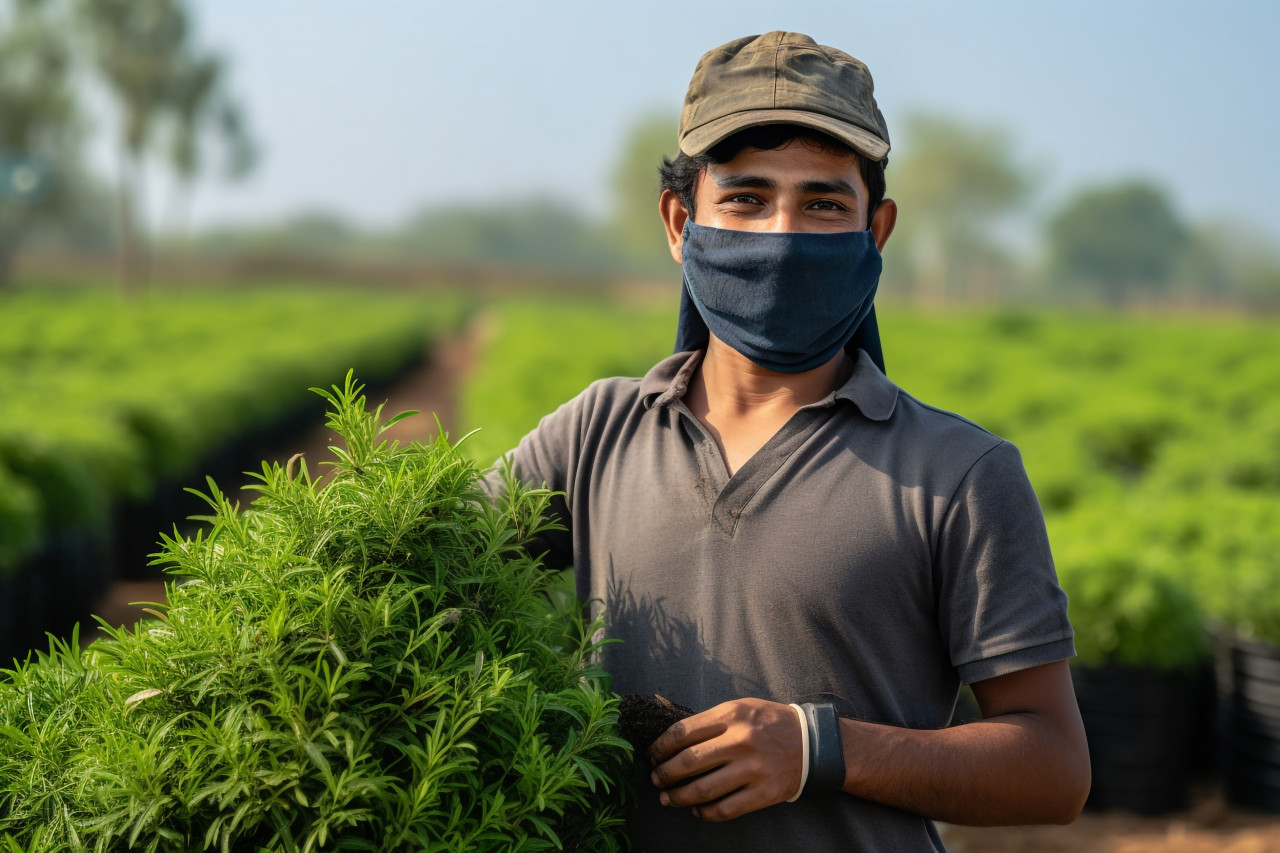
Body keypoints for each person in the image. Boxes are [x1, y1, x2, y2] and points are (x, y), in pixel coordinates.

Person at [493, 31, 1089, 852]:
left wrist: (820, 750)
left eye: (822, 203)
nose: (781, 235)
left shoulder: (959, 475)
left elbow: (1054, 768)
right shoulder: (595, 432)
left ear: (874, 230)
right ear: (680, 221)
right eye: (743, 198)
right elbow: (420, 571)